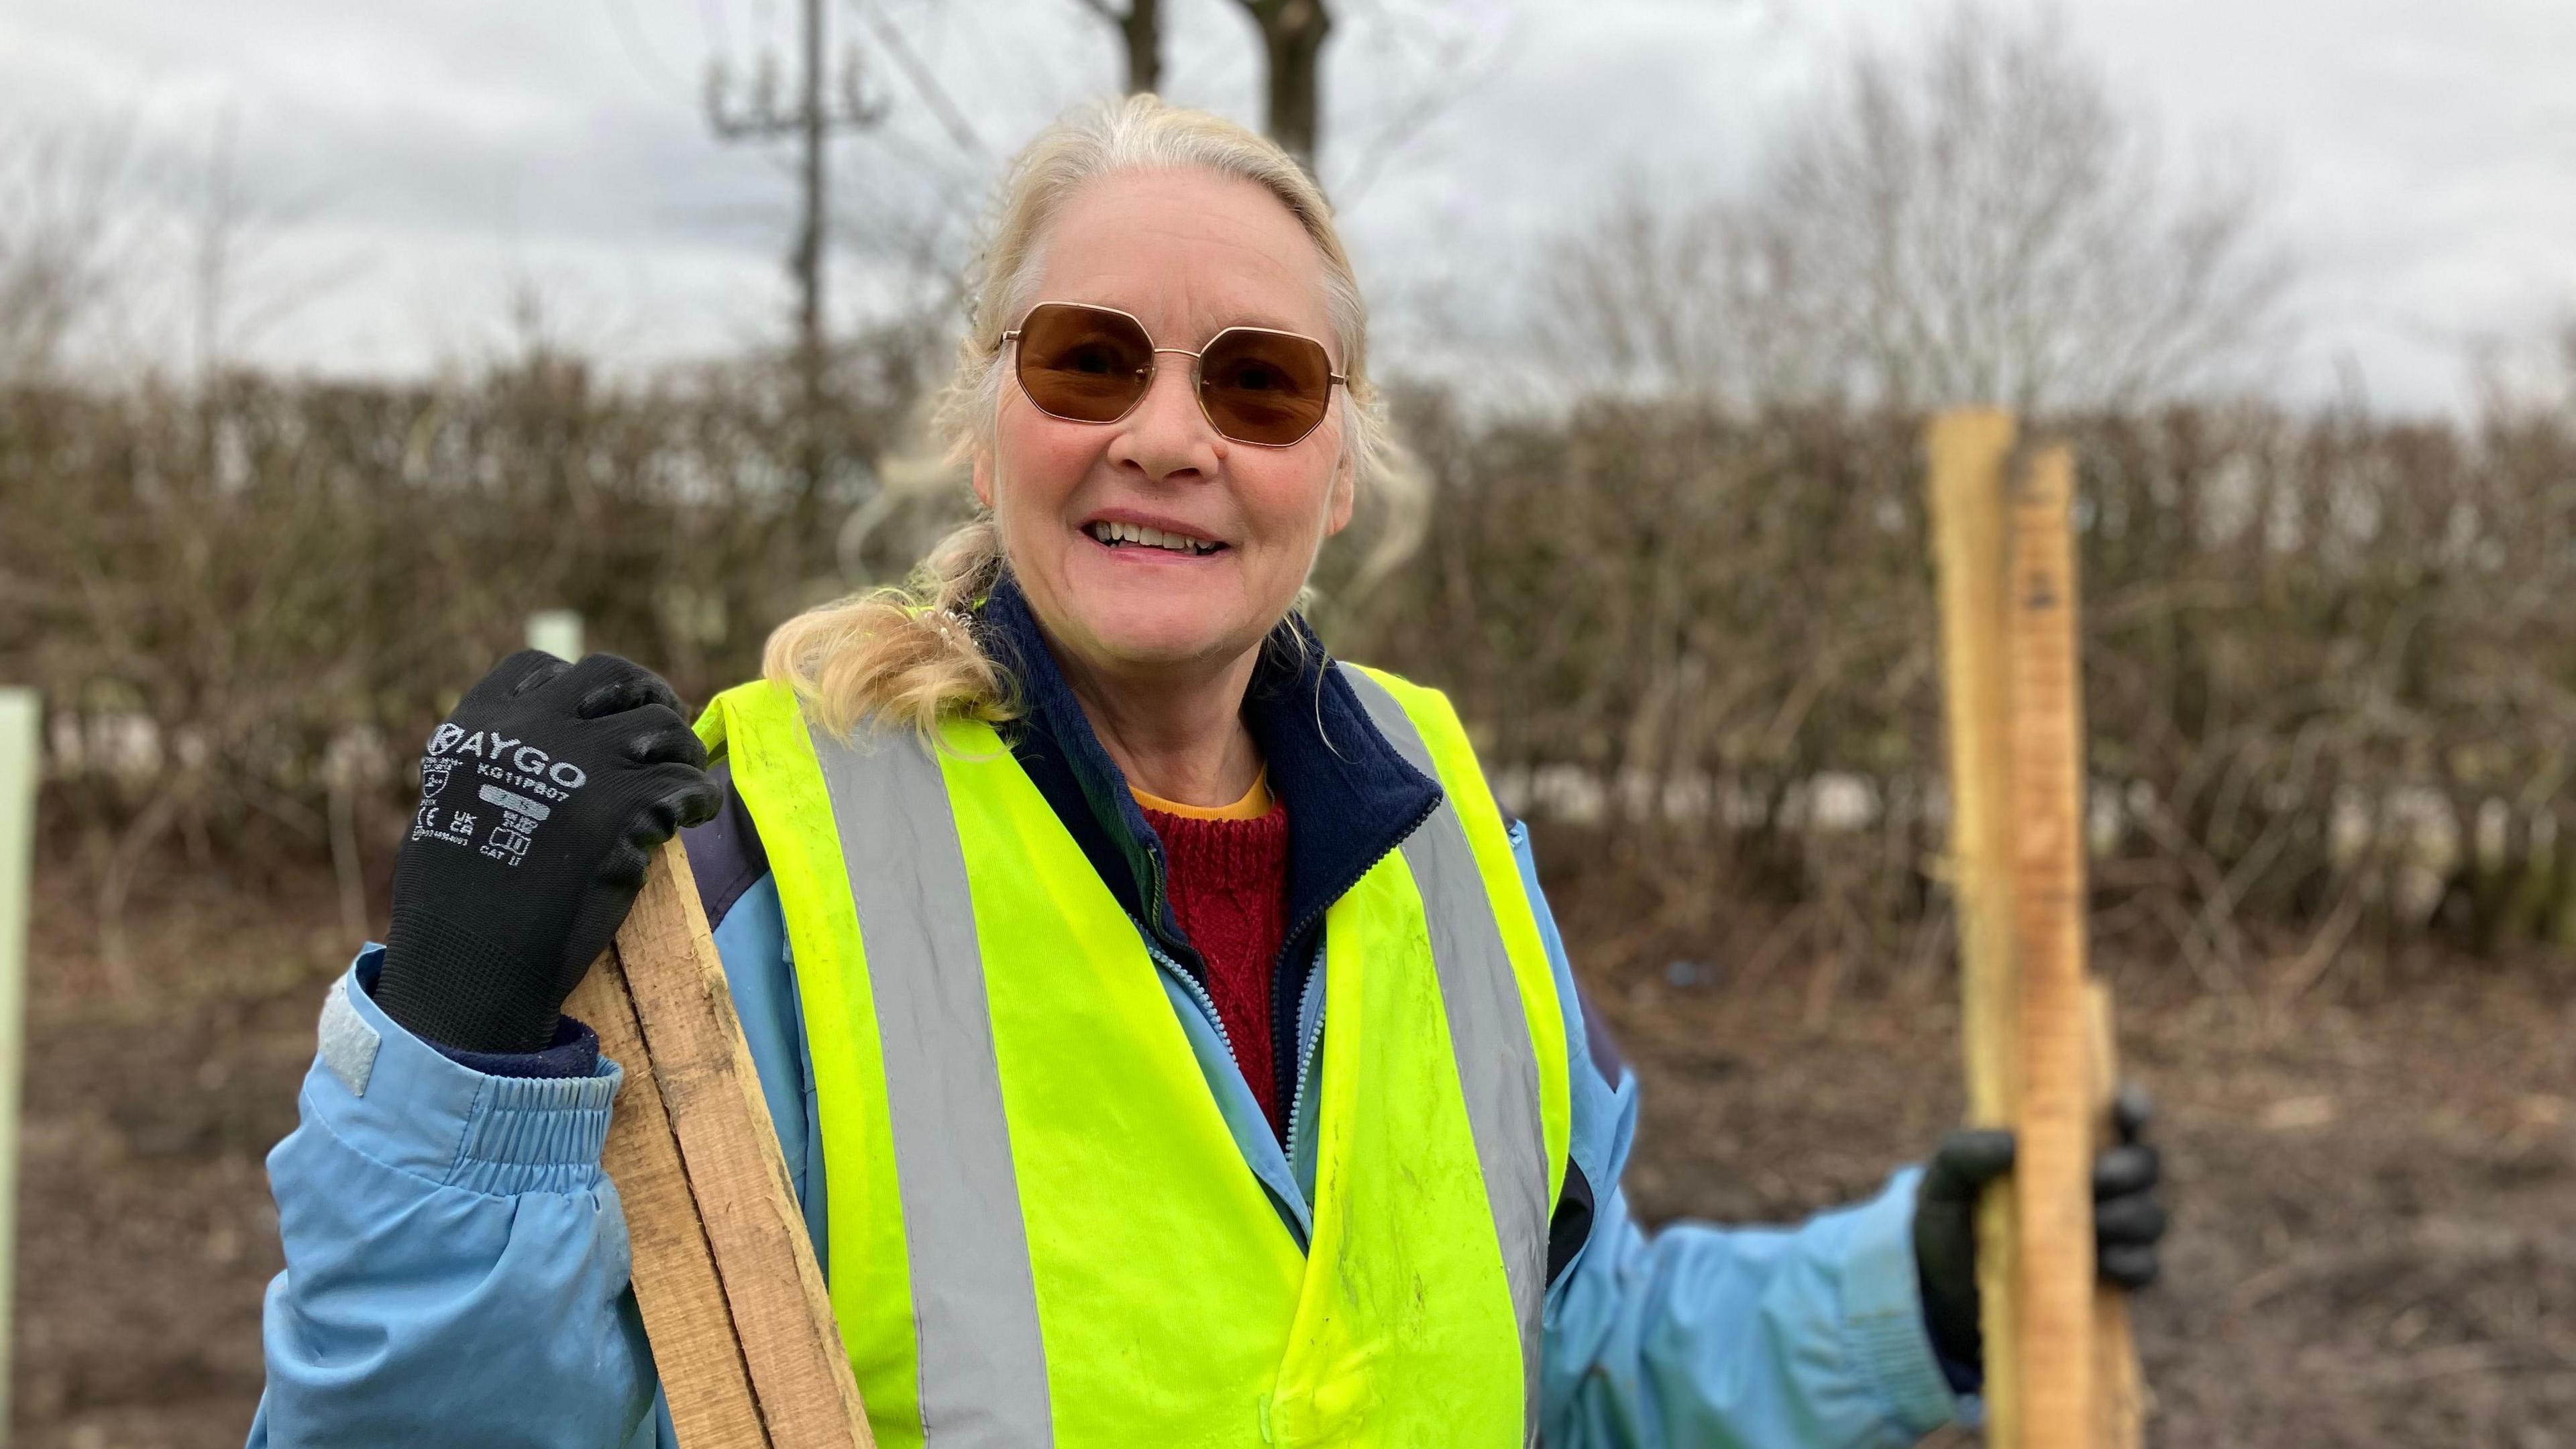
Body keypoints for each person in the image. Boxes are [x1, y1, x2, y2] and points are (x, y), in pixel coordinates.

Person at [248, 96, 2162, 1449]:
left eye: (1256, 384)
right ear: (988, 420)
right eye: (1092, 360)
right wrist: (458, 1071)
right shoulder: (758, 864)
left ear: (1338, 467)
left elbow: (1560, 1368)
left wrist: (1913, 1294)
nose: (1168, 438)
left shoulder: (1444, 837)